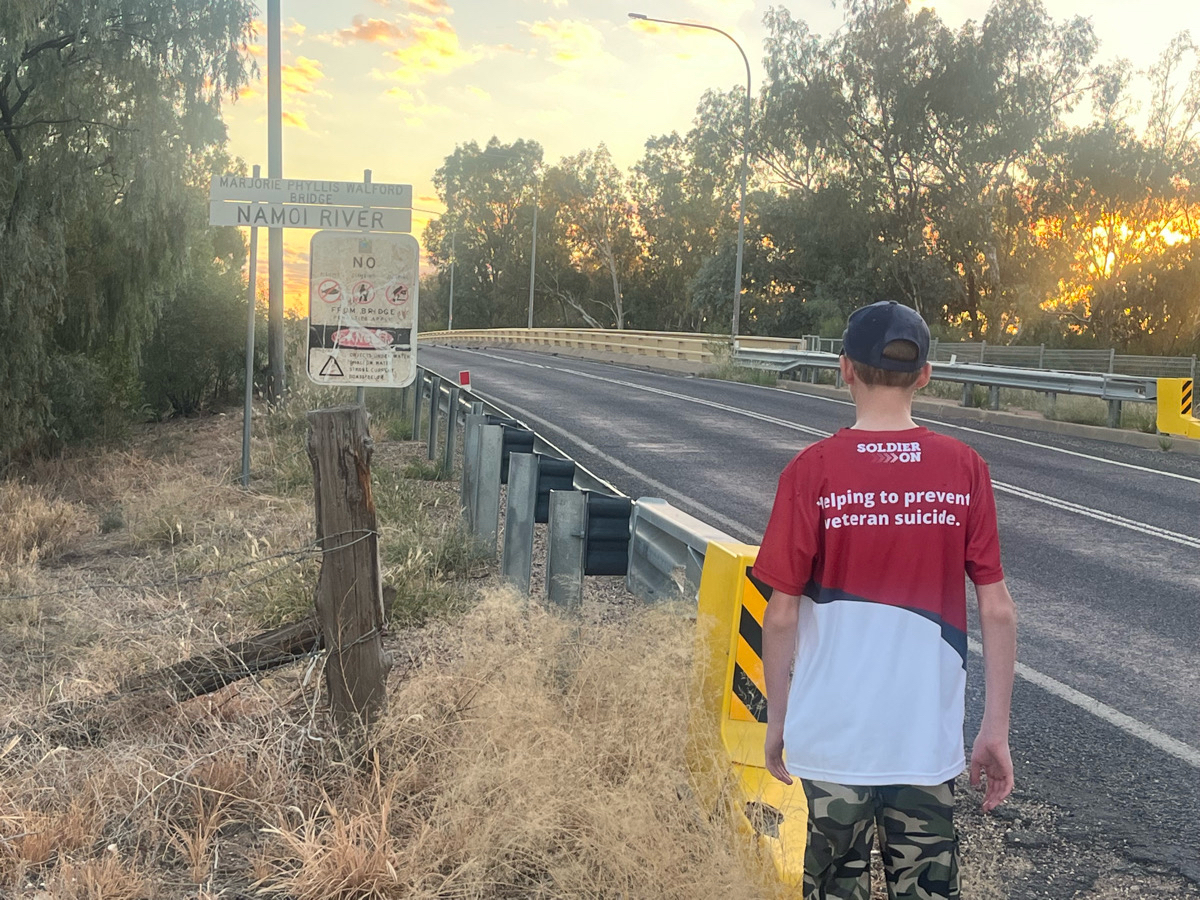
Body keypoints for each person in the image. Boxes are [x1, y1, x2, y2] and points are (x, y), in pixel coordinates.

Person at [754, 300, 1017, 900]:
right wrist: (994, 729)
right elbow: (997, 609)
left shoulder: (811, 471)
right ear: (924, 375)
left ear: (844, 368)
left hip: (832, 741)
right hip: (925, 742)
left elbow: (782, 613)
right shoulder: (965, 468)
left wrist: (779, 719)